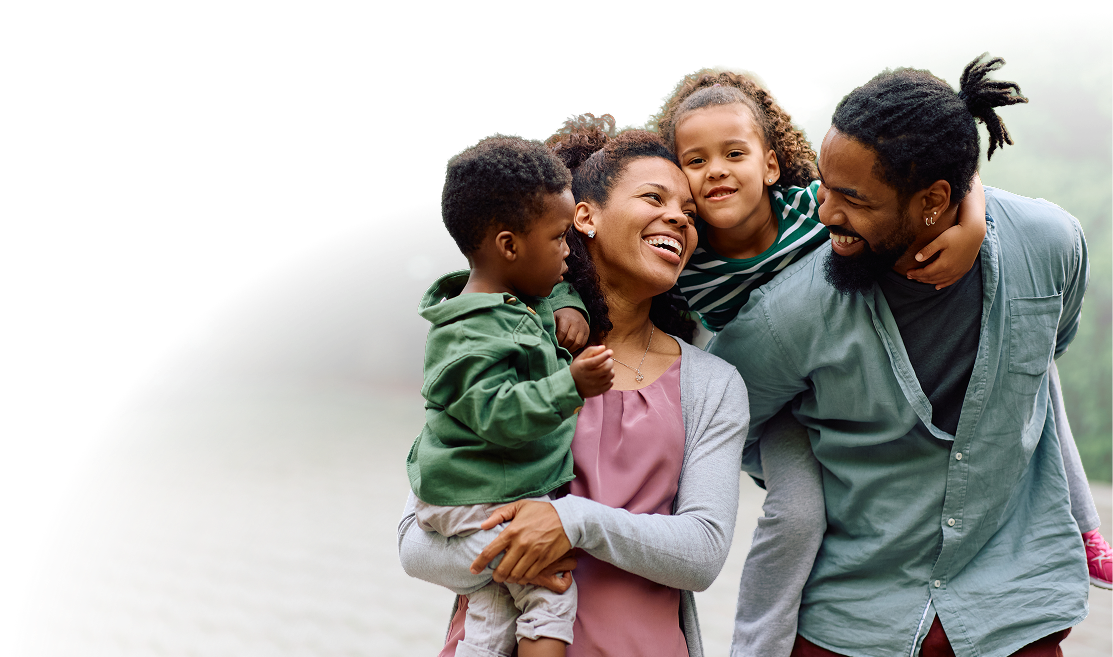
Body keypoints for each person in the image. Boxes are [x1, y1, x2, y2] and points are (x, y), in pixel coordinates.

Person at [708, 54, 1093, 655]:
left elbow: (1050, 347)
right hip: (852, 622)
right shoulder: (792, 312)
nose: (825, 213)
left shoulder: (1050, 244)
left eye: (853, 200)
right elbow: (720, 412)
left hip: (1016, 614)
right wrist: (806, 467)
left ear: (934, 201)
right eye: (826, 188)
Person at [649, 68, 989, 657]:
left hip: (861, 371)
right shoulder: (683, 251)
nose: (717, 170)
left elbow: (942, 161)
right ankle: (757, 647)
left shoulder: (813, 206)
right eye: (695, 161)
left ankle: (1084, 530)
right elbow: (600, 243)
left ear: (771, 164)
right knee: (797, 513)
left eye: (734, 153)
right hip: (785, 411)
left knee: (1016, 369)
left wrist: (974, 220)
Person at [399, 125, 749, 657]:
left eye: (690, 213)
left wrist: (570, 521)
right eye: (654, 197)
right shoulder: (507, 340)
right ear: (583, 216)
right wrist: (516, 551)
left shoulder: (712, 384)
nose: (679, 217)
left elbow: (701, 553)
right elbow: (416, 544)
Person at [405, 135, 616, 657]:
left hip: (489, 491)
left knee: (496, 609)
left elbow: (546, 290)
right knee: (548, 593)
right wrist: (570, 385)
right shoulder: (466, 335)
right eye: (560, 238)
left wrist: (570, 304)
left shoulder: (517, 295)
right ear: (508, 245)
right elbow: (498, 414)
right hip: (470, 498)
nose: (570, 253)